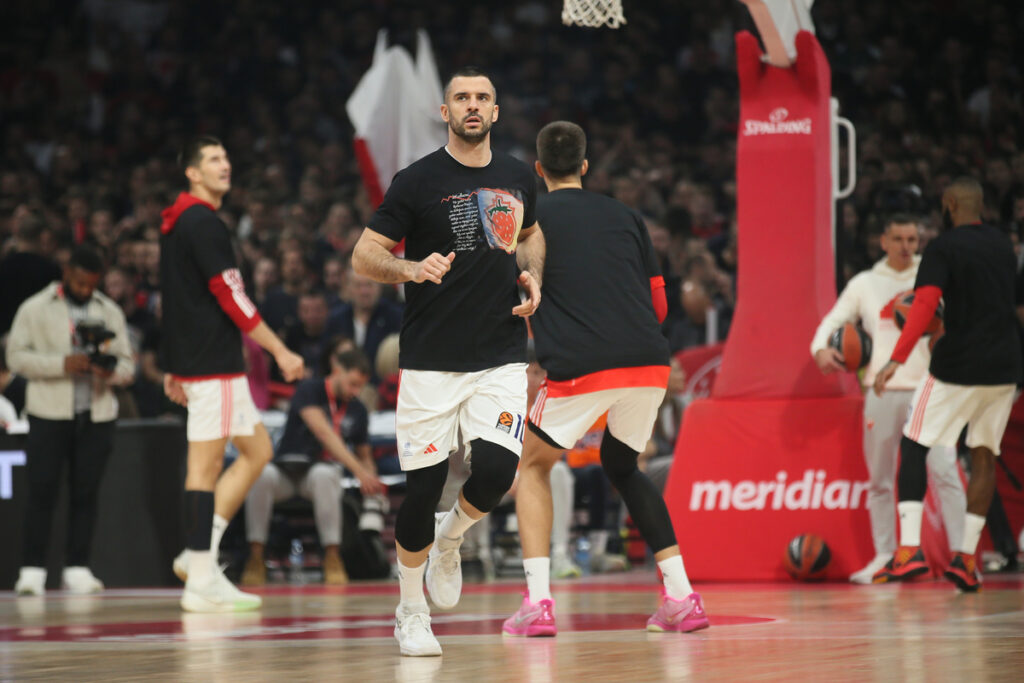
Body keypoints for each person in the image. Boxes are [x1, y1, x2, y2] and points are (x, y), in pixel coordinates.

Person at [351, 66, 544, 656]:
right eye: (461, 97)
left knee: (495, 473)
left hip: (500, 357)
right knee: (424, 488)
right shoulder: (416, 181)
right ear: (445, 111)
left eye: (483, 96)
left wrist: (531, 271)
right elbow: (364, 255)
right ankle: (411, 611)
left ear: (495, 111)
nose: (472, 105)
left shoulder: (516, 174)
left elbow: (531, 234)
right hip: (432, 361)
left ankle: (451, 538)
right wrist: (410, 268)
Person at [503, 121, 707, 637]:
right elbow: (659, 304)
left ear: (539, 169)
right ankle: (681, 597)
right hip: (649, 362)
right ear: (586, 167)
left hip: (580, 365)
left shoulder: (527, 219)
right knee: (623, 465)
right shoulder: (628, 215)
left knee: (533, 464)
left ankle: (538, 604)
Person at [160, 135, 305, 612]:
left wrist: (171, 365)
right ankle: (200, 574)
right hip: (213, 366)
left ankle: (197, 557)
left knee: (256, 450)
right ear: (193, 173)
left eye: (227, 156)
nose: (226, 165)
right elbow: (232, 296)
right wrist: (280, 349)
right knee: (204, 468)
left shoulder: (180, 221)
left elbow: (175, 300)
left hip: (202, 363)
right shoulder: (202, 222)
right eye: (214, 160)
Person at [874, 177, 1023, 592]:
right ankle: (967, 559)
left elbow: (923, 305)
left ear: (950, 204)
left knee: (913, 444)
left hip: (959, 365)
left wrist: (895, 359)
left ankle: (907, 552)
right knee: (983, 455)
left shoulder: (943, 247)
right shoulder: (1003, 246)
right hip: (1005, 366)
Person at [810, 214, 966, 584]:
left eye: (912, 240)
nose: (905, 246)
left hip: (930, 390)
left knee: (945, 473)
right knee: (880, 478)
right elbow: (832, 322)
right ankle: (885, 557)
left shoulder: (934, 278)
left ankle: (963, 559)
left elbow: (961, 324)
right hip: (881, 394)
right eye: (898, 239)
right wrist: (820, 350)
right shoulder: (865, 283)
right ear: (883, 241)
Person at [7, 245, 135, 595]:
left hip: (96, 413)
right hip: (49, 411)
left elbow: (128, 366)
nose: (84, 290)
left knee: (86, 492)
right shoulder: (35, 308)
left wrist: (107, 371)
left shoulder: (109, 311)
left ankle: (77, 566)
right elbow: (15, 357)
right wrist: (61, 364)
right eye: (79, 283)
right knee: (42, 490)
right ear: (67, 274)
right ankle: (32, 569)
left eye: (90, 285)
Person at [241, 348, 382, 586]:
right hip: (287, 470)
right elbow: (324, 433)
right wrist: (359, 471)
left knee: (324, 474)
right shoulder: (310, 389)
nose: (355, 392)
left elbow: (365, 454)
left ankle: (332, 557)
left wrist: (371, 479)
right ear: (337, 371)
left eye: (360, 387)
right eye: (352, 384)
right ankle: (255, 556)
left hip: (318, 475)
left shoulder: (357, 409)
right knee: (262, 475)